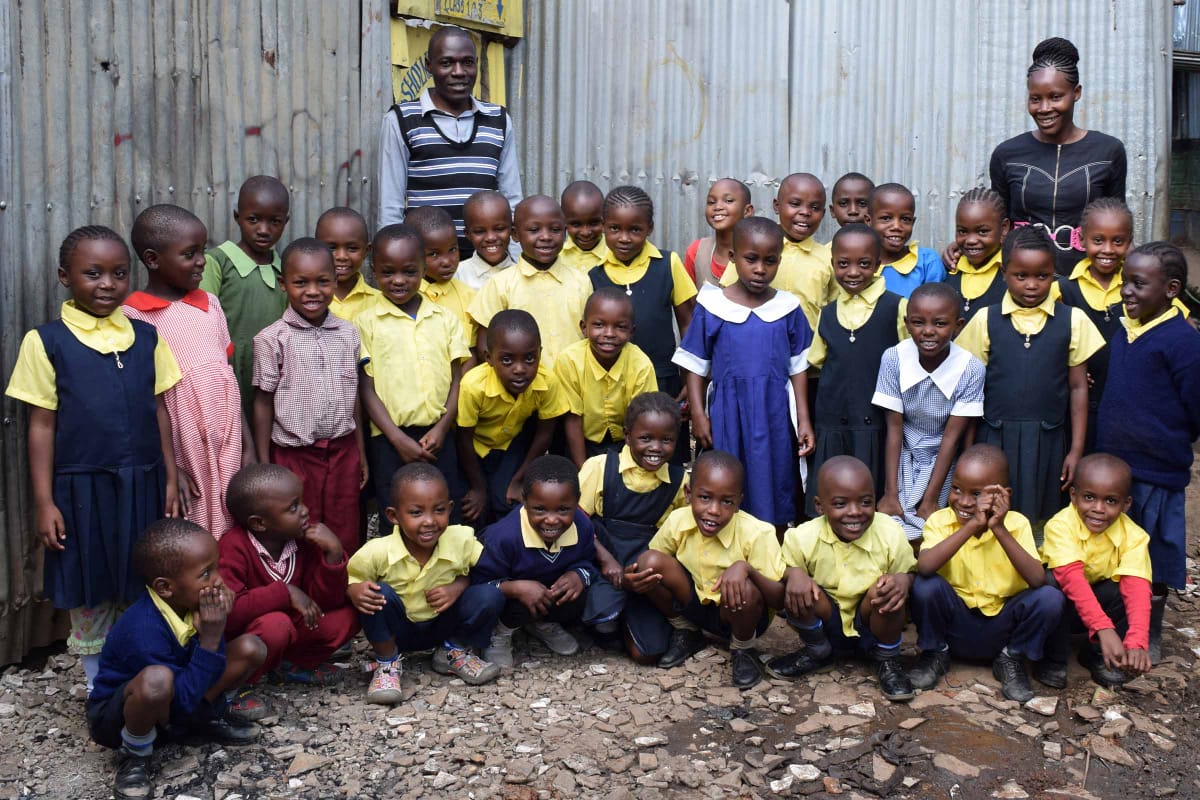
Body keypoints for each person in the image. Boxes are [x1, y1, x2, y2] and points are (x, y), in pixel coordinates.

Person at [5, 226, 182, 690]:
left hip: (143, 482)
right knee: (90, 582)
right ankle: (100, 689)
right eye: (93, 273)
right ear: (66, 277)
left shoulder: (146, 337)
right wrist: (45, 502)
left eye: (119, 273)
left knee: (141, 578)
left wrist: (169, 475)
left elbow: (159, 409)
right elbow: (41, 426)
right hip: (82, 488)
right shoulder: (46, 341)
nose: (107, 284)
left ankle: (144, 678)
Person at [87, 519, 265, 799]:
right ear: (165, 588)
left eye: (217, 567)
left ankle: (205, 719)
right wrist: (211, 636)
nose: (218, 579)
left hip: (180, 700)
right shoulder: (142, 629)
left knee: (250, 648)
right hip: (125, 718)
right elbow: (178, 700)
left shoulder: (188, 601)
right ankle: (134, 753)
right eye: (206, 573)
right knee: (157, 680)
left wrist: (214, 633)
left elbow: (203, 673)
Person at [955, 227, 1104, 540]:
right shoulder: (986, 319)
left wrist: (1076, 450)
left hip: (1047, 439)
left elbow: (1079, 388)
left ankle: (1035, 572)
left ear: (1055, 275)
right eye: (1021, 275)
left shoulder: (1072, 320)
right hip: (994, 437)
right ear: (1004, 272)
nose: (1033, 285)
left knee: (1042, 511)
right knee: (992, 510)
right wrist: (968, 449)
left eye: (1043, 276)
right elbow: (969, 389)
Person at [675, 217, 815, 529]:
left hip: (774, 411)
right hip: (728, 411)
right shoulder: (711, 304)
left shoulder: (788, 308)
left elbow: (798, 368)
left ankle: (772, 547)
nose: (760, 269)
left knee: (775, 473)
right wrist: (698, 414)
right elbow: (695, 365)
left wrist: (804, 419)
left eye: (770, 261)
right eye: (751, 259)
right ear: (732, 257)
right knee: (728, 474)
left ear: (780, 260)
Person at [1096, 242, 1200, 663]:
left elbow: (1195, 407)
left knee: (1153, 554)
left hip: (1157, 470)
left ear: (1171, 289)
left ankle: (1149, 632)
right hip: (1116, 469)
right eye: (1124, 283)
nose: (1126, 292)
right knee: (1115, 551)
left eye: (1139, 284)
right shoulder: (1123, 329)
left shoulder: (1182, 341)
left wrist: (1168, 441)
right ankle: (1112, 624)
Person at [944, 38, 1127, 276]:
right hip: (1022, 280)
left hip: (1085, 280)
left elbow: (1119, 224)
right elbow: (996, 224)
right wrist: (964, 245)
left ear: (1076, 93)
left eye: (1055, 96)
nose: (1044, 108)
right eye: (1035, 98)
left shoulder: (1107, 151)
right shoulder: (1007, 154)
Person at [124, 205, 250, 539]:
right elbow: (143, 400)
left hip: (226, 430)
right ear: (153, 259)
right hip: (180, 436)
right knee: (191, 515)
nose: (201, 261)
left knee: (231, 510)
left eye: (202, 251)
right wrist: (169, 468)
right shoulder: (132, 317)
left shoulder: (210, 304)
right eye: (189, 254)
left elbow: (227, 378)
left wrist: (248, 443)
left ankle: (229, 584)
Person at [907, 445, 1065, 702]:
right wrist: (972, 526)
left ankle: (1012, 658)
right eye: (957, 489)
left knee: (1050, 597)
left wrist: (999, 529)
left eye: (977, 494)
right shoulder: (939, 521)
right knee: (925, 585)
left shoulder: (1017, 524)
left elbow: (1037, 579)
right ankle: (935, 653)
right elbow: (925, 566)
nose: (965, 501)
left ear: (1004, 495)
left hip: (1001, 630)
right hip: (954, 627)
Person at [627, 450, 786, 690]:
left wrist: (747, 570)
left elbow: (778, 599)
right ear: (689, 494)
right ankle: (687, 631)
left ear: (739, 501)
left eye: (726, 501)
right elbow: (656, 563)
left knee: (745, 587)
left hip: (740, 615)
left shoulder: (758, 533)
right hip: (693, 606)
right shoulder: (678, 521)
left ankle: (743, 649)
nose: (714, 510)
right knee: (649, 563)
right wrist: (634, 578)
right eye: (705, 497)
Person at [348, 464, 504, 702]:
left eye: (439, 510)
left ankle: (453, 651)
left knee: (489, 595)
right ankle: (387, 663)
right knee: (377, 594)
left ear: (450, 509)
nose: (430, 521)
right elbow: (352, 581)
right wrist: (354, 590)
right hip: (399, 631)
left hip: (442, 624)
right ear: (393, 516)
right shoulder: (376, 552)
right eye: (416, 512)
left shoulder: (461, 539)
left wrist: (458, 586)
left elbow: (488, 571)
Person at [769, 457, 916, 702]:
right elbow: (779, 569)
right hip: (828, 624)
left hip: (871, 624)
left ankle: (887, 659)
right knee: (799, 587)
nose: (855, 512)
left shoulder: (890, 532)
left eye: (865, 502)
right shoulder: (803, 537)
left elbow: (910, 571)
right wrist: (794, 574)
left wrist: (904, 580)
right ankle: (818, 651)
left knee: (886, 591)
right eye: (840, 503)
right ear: (819, 505)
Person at [253, 238, 367, 555]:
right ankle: (303, 594)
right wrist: (265, 464)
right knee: (299, 527)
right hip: (293, 454)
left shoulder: (349, 334)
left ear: (335, 281)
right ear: (283, 284)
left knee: (345, 526)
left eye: (323, 282)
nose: (313, 291)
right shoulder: (271, 339)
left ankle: (342, 593)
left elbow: (354, 393)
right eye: (300, 283)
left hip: (343, 451)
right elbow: (262, 402)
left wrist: (361, 453)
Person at [355, 224, 469, 518]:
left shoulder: (445, 319)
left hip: (439, 437)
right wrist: (396, 438)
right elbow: (366, 388)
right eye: (387, 272)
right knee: (396, 516)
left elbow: (459, 378)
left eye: (409, 271)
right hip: (389, 440)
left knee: (444, 513)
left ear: (423, 268)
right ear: (374, 270)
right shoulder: (365, 322)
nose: (398, 281)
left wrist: (443, 428)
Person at [378, 26, 522, 256]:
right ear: (429, 65)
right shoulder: (402, 120)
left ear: (476, 63)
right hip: (428, 265)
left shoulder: (499, 120)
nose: (458, 72)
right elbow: (390, 206)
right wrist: (398, 262)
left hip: (486, 263)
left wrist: (514, 262)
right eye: (446, 63)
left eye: (467, 62)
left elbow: (512, 199)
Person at [218, 465, 358, 693]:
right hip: (252, 637)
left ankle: (288, 666)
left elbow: (327, 601)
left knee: (350, 614)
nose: (304, 511)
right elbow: (230, 613)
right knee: (276, 626)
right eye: (293, 507)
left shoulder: (302, 540)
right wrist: (285, 593)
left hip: (293, 629)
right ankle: (239, 685)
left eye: (301, 502)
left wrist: (333, 555)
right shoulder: (233, 547)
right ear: (259, 523)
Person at [805, 224, 907, 514]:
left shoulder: (896, 307)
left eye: (864, 264)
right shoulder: (827, 314)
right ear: (833, 263)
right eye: (843, 264)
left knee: (868, 500)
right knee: (831, 499)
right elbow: (816, 364)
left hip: (876, 423)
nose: (852, 272)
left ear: (877, 265)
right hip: (833, 423)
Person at [873, 283, 985, 544]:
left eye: (940, 324)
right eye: (918, 323)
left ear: (958, 325)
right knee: (894, 517)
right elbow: (895, 429)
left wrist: (932, 499)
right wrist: (891, 492)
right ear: (906, 323)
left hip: (943, 455)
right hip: (903, 450)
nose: (928, 332)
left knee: (933, 524)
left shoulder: (970, 369)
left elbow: (951, 438)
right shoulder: (894, 358)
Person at [591, 185, 696, 462]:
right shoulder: (592, 272)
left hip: (662, 378)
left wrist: (689, 375)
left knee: (663, 454)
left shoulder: (668, 264)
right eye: (615, 229)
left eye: (634, 230)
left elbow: (688, 323)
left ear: (649, 228)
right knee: (620, 455)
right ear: (603, 227)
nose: (624, 238)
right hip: (611, 383)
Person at [579, 392, 687, 660]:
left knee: (646, 653)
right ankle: (602, 623)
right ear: (627, 436)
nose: (656, 448)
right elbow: (576, 523)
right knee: (598, 616)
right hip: (603, 564)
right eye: (646, 438)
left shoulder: (679, 482)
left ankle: (630, 621)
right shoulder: (600, 467)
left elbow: (677, 541)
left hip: (643, 575)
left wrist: (647, 580)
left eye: (667, 440)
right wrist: (606, 562)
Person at [472, 455, 599, 667]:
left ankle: (543, 623)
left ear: (577, 502)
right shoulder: (504, 537)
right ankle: (500, 632)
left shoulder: (582, 527)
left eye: (563, 509)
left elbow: (589, 563)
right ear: (525, 500)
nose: (551, 519)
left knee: (579, 591)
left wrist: (578, 574)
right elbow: (478, 587)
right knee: (501, 600)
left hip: (548, 592)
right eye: (540, 509)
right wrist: (514, 588)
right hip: (511, 598)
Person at [1041, 454, 1152, 686]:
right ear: (1073, 496)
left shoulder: (1134, 536)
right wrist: (1103, 627)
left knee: (1124, 586)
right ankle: (1054, 658)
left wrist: (1137, 640)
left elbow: (1138, 588)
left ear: (1126, 504)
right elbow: (1072, 580)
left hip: (1095, 607)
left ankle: (1097, 655)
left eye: (1111, 501)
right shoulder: (1060, 526)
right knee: (1051, 585)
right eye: (1089, 497)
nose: (1098, 509)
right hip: (1062, 608)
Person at [457, 311, 569, 524]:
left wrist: (519, 480)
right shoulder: (473, 386)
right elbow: (463, 439)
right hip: (473, 449)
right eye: (507, 360)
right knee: (474, 508)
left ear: (540, 353)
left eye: (529, 358)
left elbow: (545, 435)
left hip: (511, 447)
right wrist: (478, 488)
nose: (520, 369)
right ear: (489, 358)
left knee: (507, 504)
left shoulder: (547, 382)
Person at [199, 175, 290, 418]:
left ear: (286, 222)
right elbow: (204, 323)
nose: (263, 229)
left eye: (275, 222)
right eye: (253, 219)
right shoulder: (217, 262)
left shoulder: (285, 271)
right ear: (237, 217)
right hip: (227, 370)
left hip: (271, 376)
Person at [469, 195, 592, 368]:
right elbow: (484, 344)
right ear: (515, 234)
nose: (546, 237)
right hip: (522, 388)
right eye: (534, 230)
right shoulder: (500, 285)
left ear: (565, 232)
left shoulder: (581, 281)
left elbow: (592, 335)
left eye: (555, 230)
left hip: (574, 385)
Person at [553, 288, 657, 466]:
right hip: (580, 441)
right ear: (584, 328)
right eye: (599, 325)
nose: (609, 333)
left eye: (620, 327)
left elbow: (641, 422)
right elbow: (572, 420)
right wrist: (583, 471)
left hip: (626, 443)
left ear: (632, 332)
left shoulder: (640, 364)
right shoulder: (569, 361)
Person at [719, 173, 833, 332]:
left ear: (823, 213)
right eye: (795, 203)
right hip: (756, 342)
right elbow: (726, 295)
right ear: (777, 206)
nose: (805, 212)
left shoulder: (828, 258)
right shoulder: (752, 248)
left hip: (808, 352)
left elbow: (835, 312)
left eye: (814, 208)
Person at [408, 205, 477, 353]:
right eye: (434, 254)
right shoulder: (404, 297)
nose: (447, 261)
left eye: (452, 250)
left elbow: (472, 351)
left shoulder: (469, 297)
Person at [867, 183, 947, 298]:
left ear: (913, 222)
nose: (896, 227)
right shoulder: (858, 263)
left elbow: (935, 308)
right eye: (886, 218)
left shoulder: (927, 262)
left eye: (905, 219)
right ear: (868, 220)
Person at [947, 188, 1011, 321]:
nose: (971, 240)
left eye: (982, 232)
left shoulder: (1012, 274)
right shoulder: (949, 269)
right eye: (962, 231)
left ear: (1004, 229)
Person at [683, 178, 755, 287]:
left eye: (728, 200)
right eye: (711, 202)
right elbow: (689, 301)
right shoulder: (697, 251)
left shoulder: (760, 252)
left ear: (747, 211)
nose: (717, 207)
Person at [315, 207, 378, 322]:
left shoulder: (379, 301)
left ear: (366, 251)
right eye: (331, 248)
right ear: (316, 249)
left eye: (352, 248)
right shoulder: (308, 297)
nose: (341, 256)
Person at [457, 190, 516, 290]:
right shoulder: (457, 275)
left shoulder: (521, 275)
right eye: (479, 231)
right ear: (468, 234)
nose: (490, 238)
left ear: (512, 230)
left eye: (499, 229)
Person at [560, 180, 609, 272]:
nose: (585, 232)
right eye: (576, 224)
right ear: (564, 221)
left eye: (594, 223)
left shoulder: (614, 255)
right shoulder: (556, 256)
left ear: (604, 218)